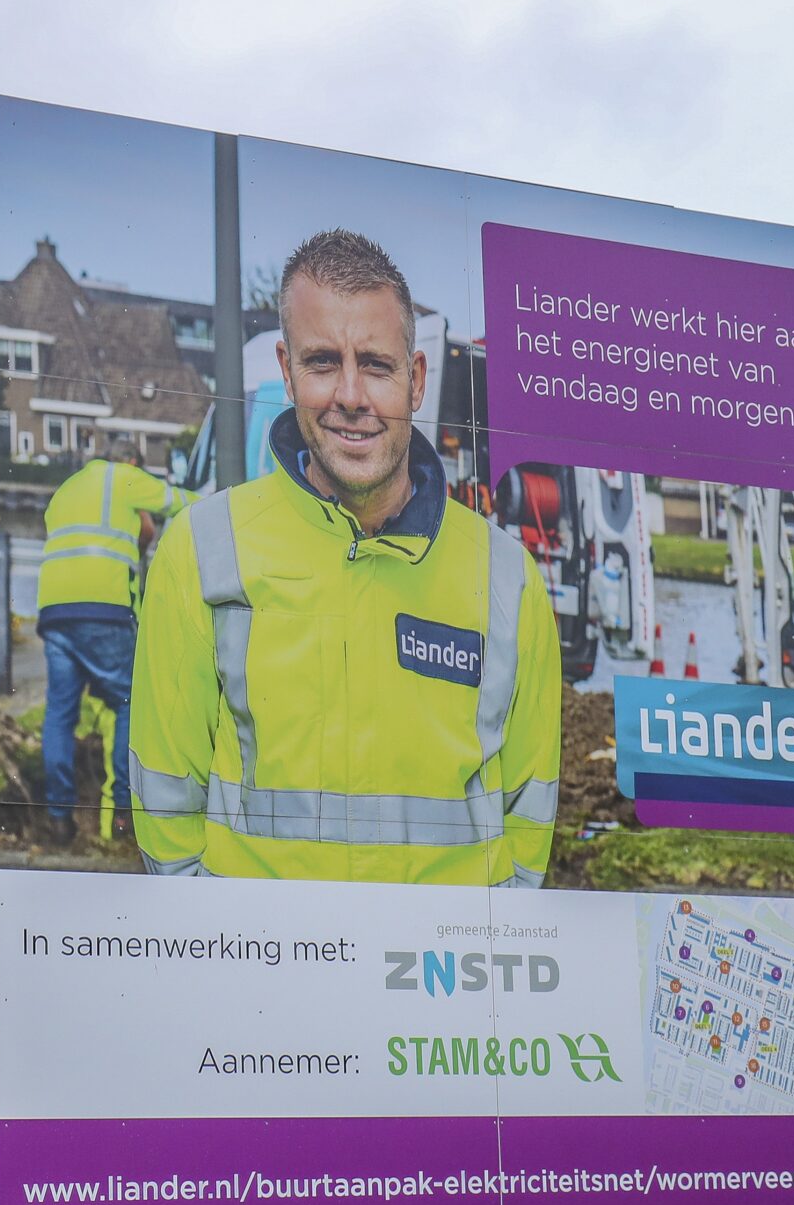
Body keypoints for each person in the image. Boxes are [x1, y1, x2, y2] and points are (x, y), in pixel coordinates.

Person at [130, 230, 561, 884]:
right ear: (286, 370)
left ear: (415, 380)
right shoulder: (202, 552)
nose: (352, 397)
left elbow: (530, 815)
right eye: (323, 362)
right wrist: (215, 958)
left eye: (378, 365)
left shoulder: (508, 580)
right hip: (263, 972)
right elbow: (165, 800)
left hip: (446, 979)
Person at [37, 443, 195, 839]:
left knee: (59, 712)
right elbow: (180, 501)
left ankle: (58, 818)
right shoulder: (123, 477)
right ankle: (124, 812)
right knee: (129, 701)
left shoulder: (65, 489)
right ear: (132, 463)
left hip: (54, 609)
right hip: (102, 606)